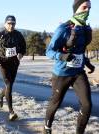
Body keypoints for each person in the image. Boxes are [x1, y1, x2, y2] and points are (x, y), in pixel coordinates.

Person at [44, 0, 94, 134]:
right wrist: (62, 56)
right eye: (84, 7)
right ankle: (46, 128)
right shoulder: (63, 29)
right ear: (76, 9)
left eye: (89, 8)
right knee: (55, 104)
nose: (87, 11)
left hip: (78, 72)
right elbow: (48, 51)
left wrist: (87, 62)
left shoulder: (84, 29)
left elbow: (79, 51)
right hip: (62, 73)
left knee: (87, 105)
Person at [0, 15, 26, 121]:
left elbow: (23, 47)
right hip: (3, 63)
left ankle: (0, 95)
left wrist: (21, 53)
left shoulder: (18, 35)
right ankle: (11, 112)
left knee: (9, 85)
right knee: (9, 85)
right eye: (9, 23)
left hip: (14, 63)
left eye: (13, 24)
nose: (11, 26)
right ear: (5, 24)